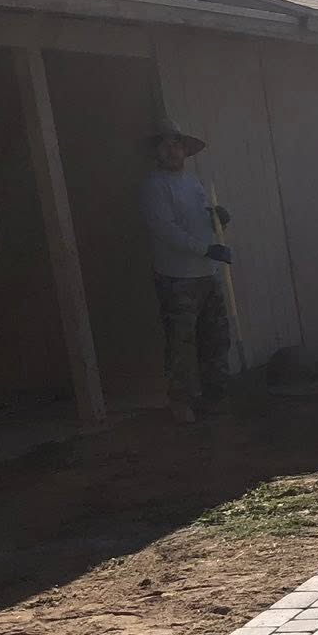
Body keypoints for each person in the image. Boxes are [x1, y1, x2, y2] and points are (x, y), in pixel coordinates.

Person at [138, 120, 234, 423]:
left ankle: (215, 397)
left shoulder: (192, 183)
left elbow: (201, 219)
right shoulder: (154, 186)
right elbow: (166, 230)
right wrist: (205, 249)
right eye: (165, 144)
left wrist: (218, 219)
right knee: (181, 342)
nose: (172, 150)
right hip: (178, 277)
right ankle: (181, 401)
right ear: (156, 152)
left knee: (216, 337)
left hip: (207, 273)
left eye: (176, 143)